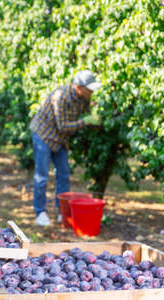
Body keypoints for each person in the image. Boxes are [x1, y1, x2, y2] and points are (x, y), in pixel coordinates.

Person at [29, 70, 102, 226]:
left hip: (60, 140)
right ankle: (40, 213)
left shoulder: (83, 98)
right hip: (44, 136)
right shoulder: (61, 96)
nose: (92, 91)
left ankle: (62, 212)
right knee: (41, 176)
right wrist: (86, 121)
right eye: (89, 88)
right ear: (79, 87)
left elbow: (85, 115)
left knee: (63, 175)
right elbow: (62, 126)